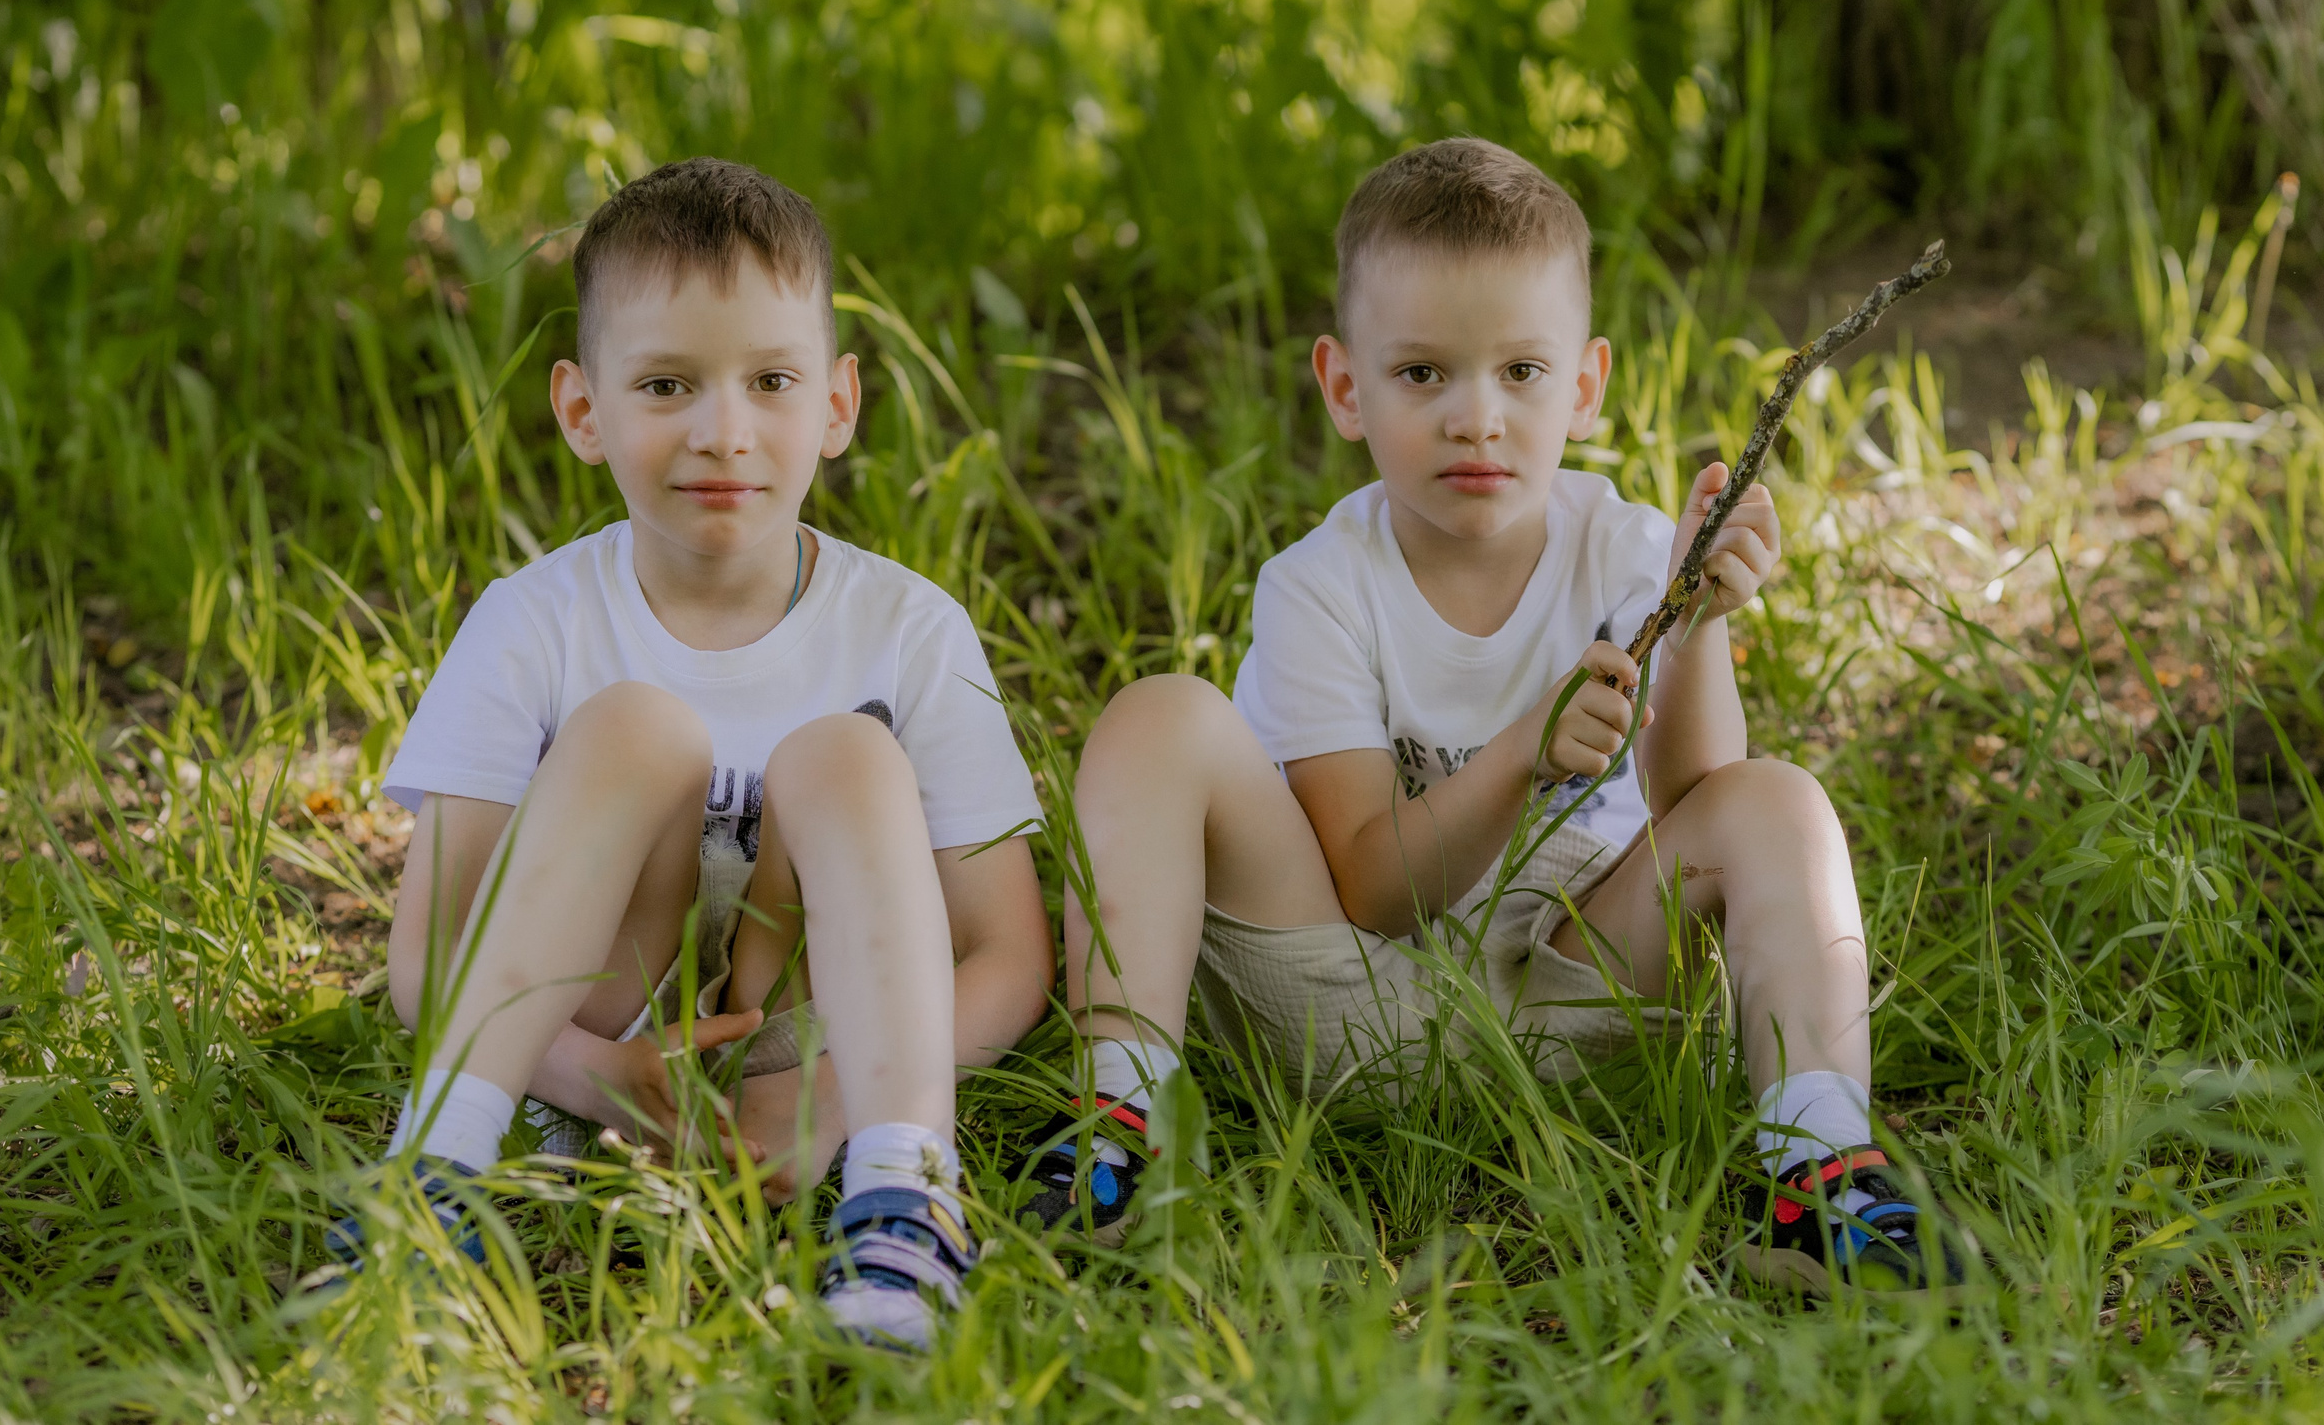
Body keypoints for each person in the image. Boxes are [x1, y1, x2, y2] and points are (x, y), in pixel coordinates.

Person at [1019, 137, 1952, 1295]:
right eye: (1423, 375)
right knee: (1158, 717)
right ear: (1344, 388)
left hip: (1571, 989)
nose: (1478, 418)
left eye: (1520, 372)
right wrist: (1520, 754)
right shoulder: (1321, 587)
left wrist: (1697, 617)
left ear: (1584, 383)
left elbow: (1699, 805)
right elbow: (1369, 890)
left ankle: (1819, 1169)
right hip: (1346, 1003)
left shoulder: (1619, 546)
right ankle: (1122, 1124)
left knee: (1780, 801)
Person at [335, 158, 1051, 1349]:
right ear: (582, 409)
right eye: (667, 383)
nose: (725, 432)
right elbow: (428, 954)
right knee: (634, 726)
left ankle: (903, 1200)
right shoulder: (533, 621)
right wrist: (587, 1075)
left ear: (836, 403)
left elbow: (1008, 951)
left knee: (849, 758)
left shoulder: (907, 628)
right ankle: (435, 1173)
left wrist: (817, 1106)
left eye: (771, 380)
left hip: (830, 1047)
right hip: (586, 1034)